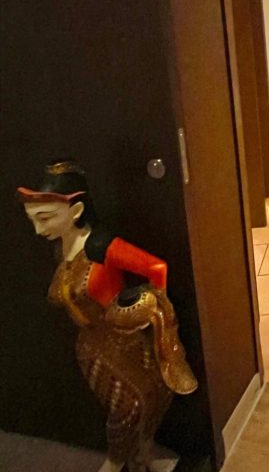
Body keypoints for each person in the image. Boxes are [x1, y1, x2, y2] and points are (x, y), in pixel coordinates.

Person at [18, 160, 197, 472]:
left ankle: (129, 457)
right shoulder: (63, 249)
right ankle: (127, 458)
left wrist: (154, 308)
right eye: (33, 220)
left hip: (125, 339)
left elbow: (156, 268)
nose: (38, 230)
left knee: (145, 401)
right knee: (124, 408)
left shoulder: (102, 245)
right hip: (91, 347)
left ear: (76, 211)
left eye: (45, 219)